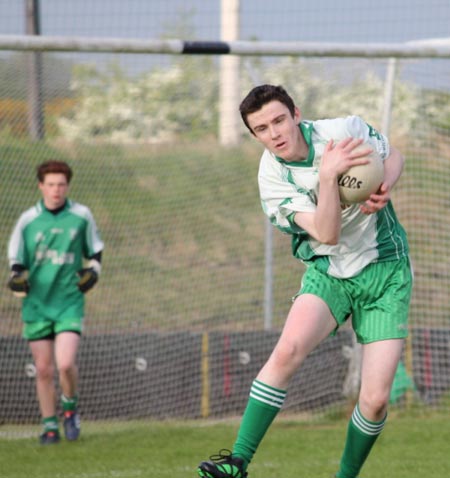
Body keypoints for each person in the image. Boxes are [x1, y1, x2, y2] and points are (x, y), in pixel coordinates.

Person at [197, 85, 412, 478]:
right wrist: (328, 177)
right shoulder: (272, 180)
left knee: (377, 400)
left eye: (279, 120)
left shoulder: (343, 131)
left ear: (296, 113)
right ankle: (237, 463)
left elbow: (392, 155)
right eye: (261, 128)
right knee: (287, 351)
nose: (274, 133)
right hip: (329, 271)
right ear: (255, 136)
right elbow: (327, 234)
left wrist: (384, 186)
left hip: (385, 271)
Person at [7, 160, 104, 445]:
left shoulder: (81, 215)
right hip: (37, 304)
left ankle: (70, 408)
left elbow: (95, 250)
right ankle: (50, 425)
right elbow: (16, 260)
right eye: (50, 184)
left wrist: (93, 272)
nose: (56, 190)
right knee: (44, 368)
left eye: (61, 184)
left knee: (65, 364)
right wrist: (17, 278)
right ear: (41, 186)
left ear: (67, 186)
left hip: (68, 302)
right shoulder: (28, 220)